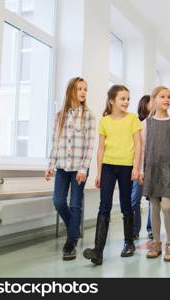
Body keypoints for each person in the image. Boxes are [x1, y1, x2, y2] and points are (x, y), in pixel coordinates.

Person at [83, 85, 142, 265]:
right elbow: (100, 148)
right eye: (122, 98)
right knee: (104, 206)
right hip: (108, 166)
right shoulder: (104, 121)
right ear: (112, 101)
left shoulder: (133, 119)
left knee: (126, 204)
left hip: (126, 166)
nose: (126, 102)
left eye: (128, 99)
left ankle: (129, 243)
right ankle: (98, 251)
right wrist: (99, 172)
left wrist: (136, 166)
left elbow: (139, 144)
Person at [45, 77, 96, 261]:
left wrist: (84, 168)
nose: (83, 92)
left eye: (85, 89)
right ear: (70, 91)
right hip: (61, 167)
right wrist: (50, 165)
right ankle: (73, 228)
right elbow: (55, 141)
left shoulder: (88, 115)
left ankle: (70, 244)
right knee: (58, 201)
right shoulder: (60, 115)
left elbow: (90, 144)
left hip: (79, 168)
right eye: (79, 88)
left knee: (75, 204)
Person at [140, 86, 170, 262]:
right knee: (154, 207)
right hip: (151, 168)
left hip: (168, 169)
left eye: (169, 97)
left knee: (166, 206)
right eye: (162, 96)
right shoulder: (146, 123)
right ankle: (156, 243)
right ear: (154, 99)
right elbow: (142, 149)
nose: (167, 99)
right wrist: (142, 170)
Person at [132, 95, 153, 240]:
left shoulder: (158, 123)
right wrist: (137, 169)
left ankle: (151, 229)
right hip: (138, 167)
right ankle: (134, 230)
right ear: (144, 105)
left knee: (153, 200)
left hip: (153, 168)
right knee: (134, 200)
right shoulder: (137, 124)